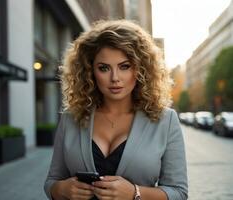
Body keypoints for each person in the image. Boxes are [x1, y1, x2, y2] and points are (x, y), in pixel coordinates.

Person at [44, 19, 188, 200]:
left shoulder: (165, 120)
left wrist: (135, 193)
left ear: (141, 69)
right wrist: (61, 189)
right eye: (103, 68)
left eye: (124, 66)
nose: (115, 78)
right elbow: (52, 181)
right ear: (90, 71)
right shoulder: (70, 118)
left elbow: (179, 193)